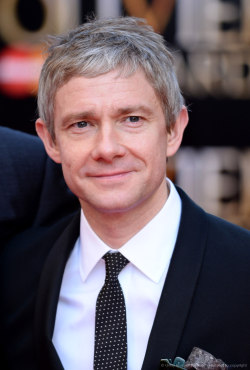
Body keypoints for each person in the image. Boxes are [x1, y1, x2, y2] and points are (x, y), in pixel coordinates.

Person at [1, 16, 250, 370]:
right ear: (50, 140)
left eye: (131, 119)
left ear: (173, 130)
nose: (107, 148)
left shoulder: (243, 270)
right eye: (81, 124)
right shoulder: (14, 271)